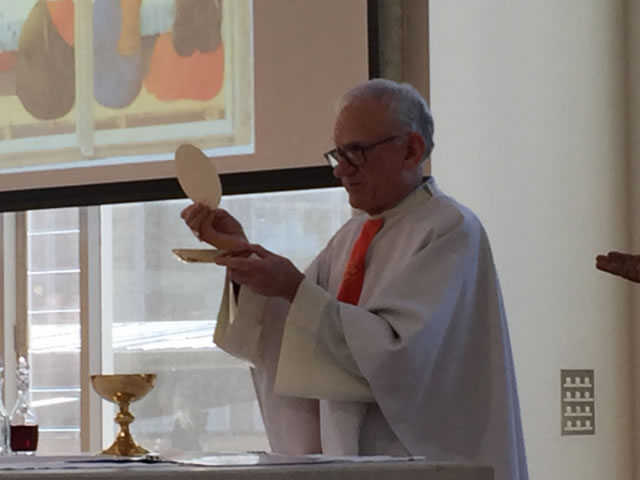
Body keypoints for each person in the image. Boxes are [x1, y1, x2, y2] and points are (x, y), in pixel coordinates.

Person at [181, 79, 528, 480]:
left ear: (411, 150)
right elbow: (293, 331)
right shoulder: (350, 236)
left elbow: (401, 356)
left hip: (422, 460)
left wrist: (293, 288)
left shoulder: (449, 229)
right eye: (338, 154)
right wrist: (242, 253)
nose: (340, 170)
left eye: (356, 153)